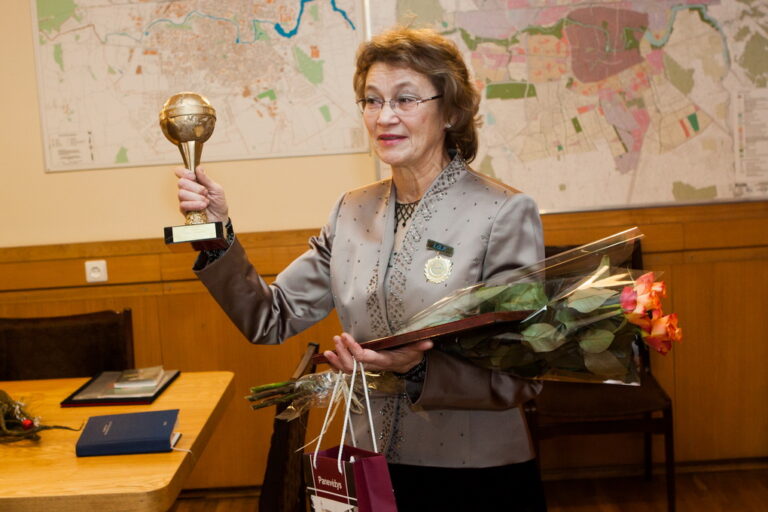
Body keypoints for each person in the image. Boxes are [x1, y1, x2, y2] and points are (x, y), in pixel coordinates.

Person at [176, 27, 547, 511]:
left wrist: (417, 371)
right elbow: (270, 318)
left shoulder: (503, 211)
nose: (384, 117)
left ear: (451, 111)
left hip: (472, 477)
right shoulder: (351, 210)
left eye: (405, 99)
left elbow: (524, 370)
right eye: (371, 101)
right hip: (367, 466)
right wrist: (216, 232)